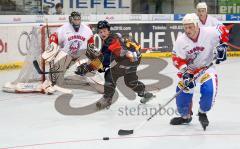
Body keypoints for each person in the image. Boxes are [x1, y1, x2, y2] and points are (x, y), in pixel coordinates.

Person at [75, 20, 154, 109]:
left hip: (129, 59)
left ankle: (107, 99)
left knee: (110, 74)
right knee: (130, 81)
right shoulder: (110, 39)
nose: (102, 33)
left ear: (109, 31)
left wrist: (88, 67)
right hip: (135, 59)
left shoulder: (111, 39)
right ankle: (144, 93)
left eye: (104, 31)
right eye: (100, 32)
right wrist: (89, 67)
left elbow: (105, 59)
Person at [170, 13, 229, 130]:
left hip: (206, 68)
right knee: (181, 93)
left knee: (209, 91)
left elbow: (223, 30)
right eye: (185, 27)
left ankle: (202, 112)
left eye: (190, 27)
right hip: (190, 70)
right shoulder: (181, 41)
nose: (188, 30)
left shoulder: (209, 32)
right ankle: (185, 117)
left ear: (197, 25)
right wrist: (185, 73)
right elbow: (177, 59)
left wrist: (223, 45)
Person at [42, 11, 102, 93]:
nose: (77, 21)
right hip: (67, 53)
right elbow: (54, 36)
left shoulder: (87, 30)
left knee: (87, 68)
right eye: (75, 19)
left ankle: (98, 83)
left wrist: (92, 54)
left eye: (78, 19)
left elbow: (90, 43)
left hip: (81, 54)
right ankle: (51, 83)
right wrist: (53, 45)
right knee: (57, 69)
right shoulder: (64, 28)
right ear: (71, 19)